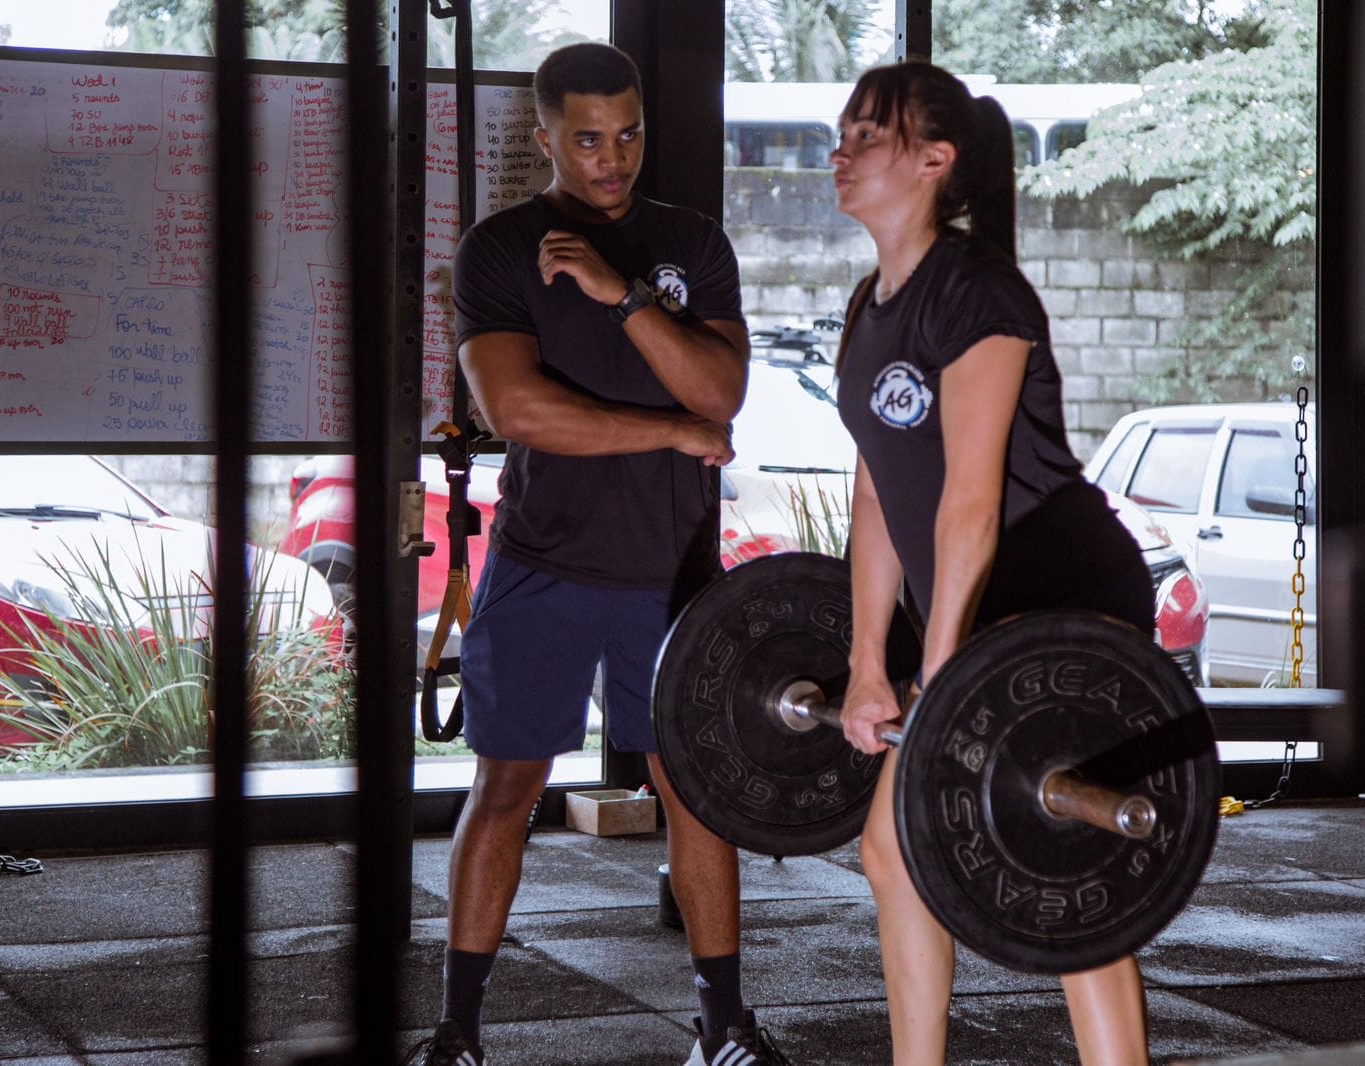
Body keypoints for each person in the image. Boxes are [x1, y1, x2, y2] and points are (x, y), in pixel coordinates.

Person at [408, 43, 787, 1066]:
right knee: (506, 786)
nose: (610, 157)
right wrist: (664, 431)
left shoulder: (687, 243)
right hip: (544, 561)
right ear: (544, 140)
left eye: (626, 135)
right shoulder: (500, 249)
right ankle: (458, 1031)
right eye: (585, 139)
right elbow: (518, 408)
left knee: (694, 793)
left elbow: (719, 394)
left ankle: (720, 1025)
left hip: (673, 575)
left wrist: (624, 295)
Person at [829, 61, 1156, 1066]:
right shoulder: (871, 305)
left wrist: (941, 666)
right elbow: (881, 492)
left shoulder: (976, 294)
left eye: (865, 138)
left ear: (934, 161)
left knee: (1060, 862)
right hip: (972, 611)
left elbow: (970, 504)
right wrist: (866, 662)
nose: (838, 156)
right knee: (893, 849)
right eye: (838, 135)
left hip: (1061, 595)